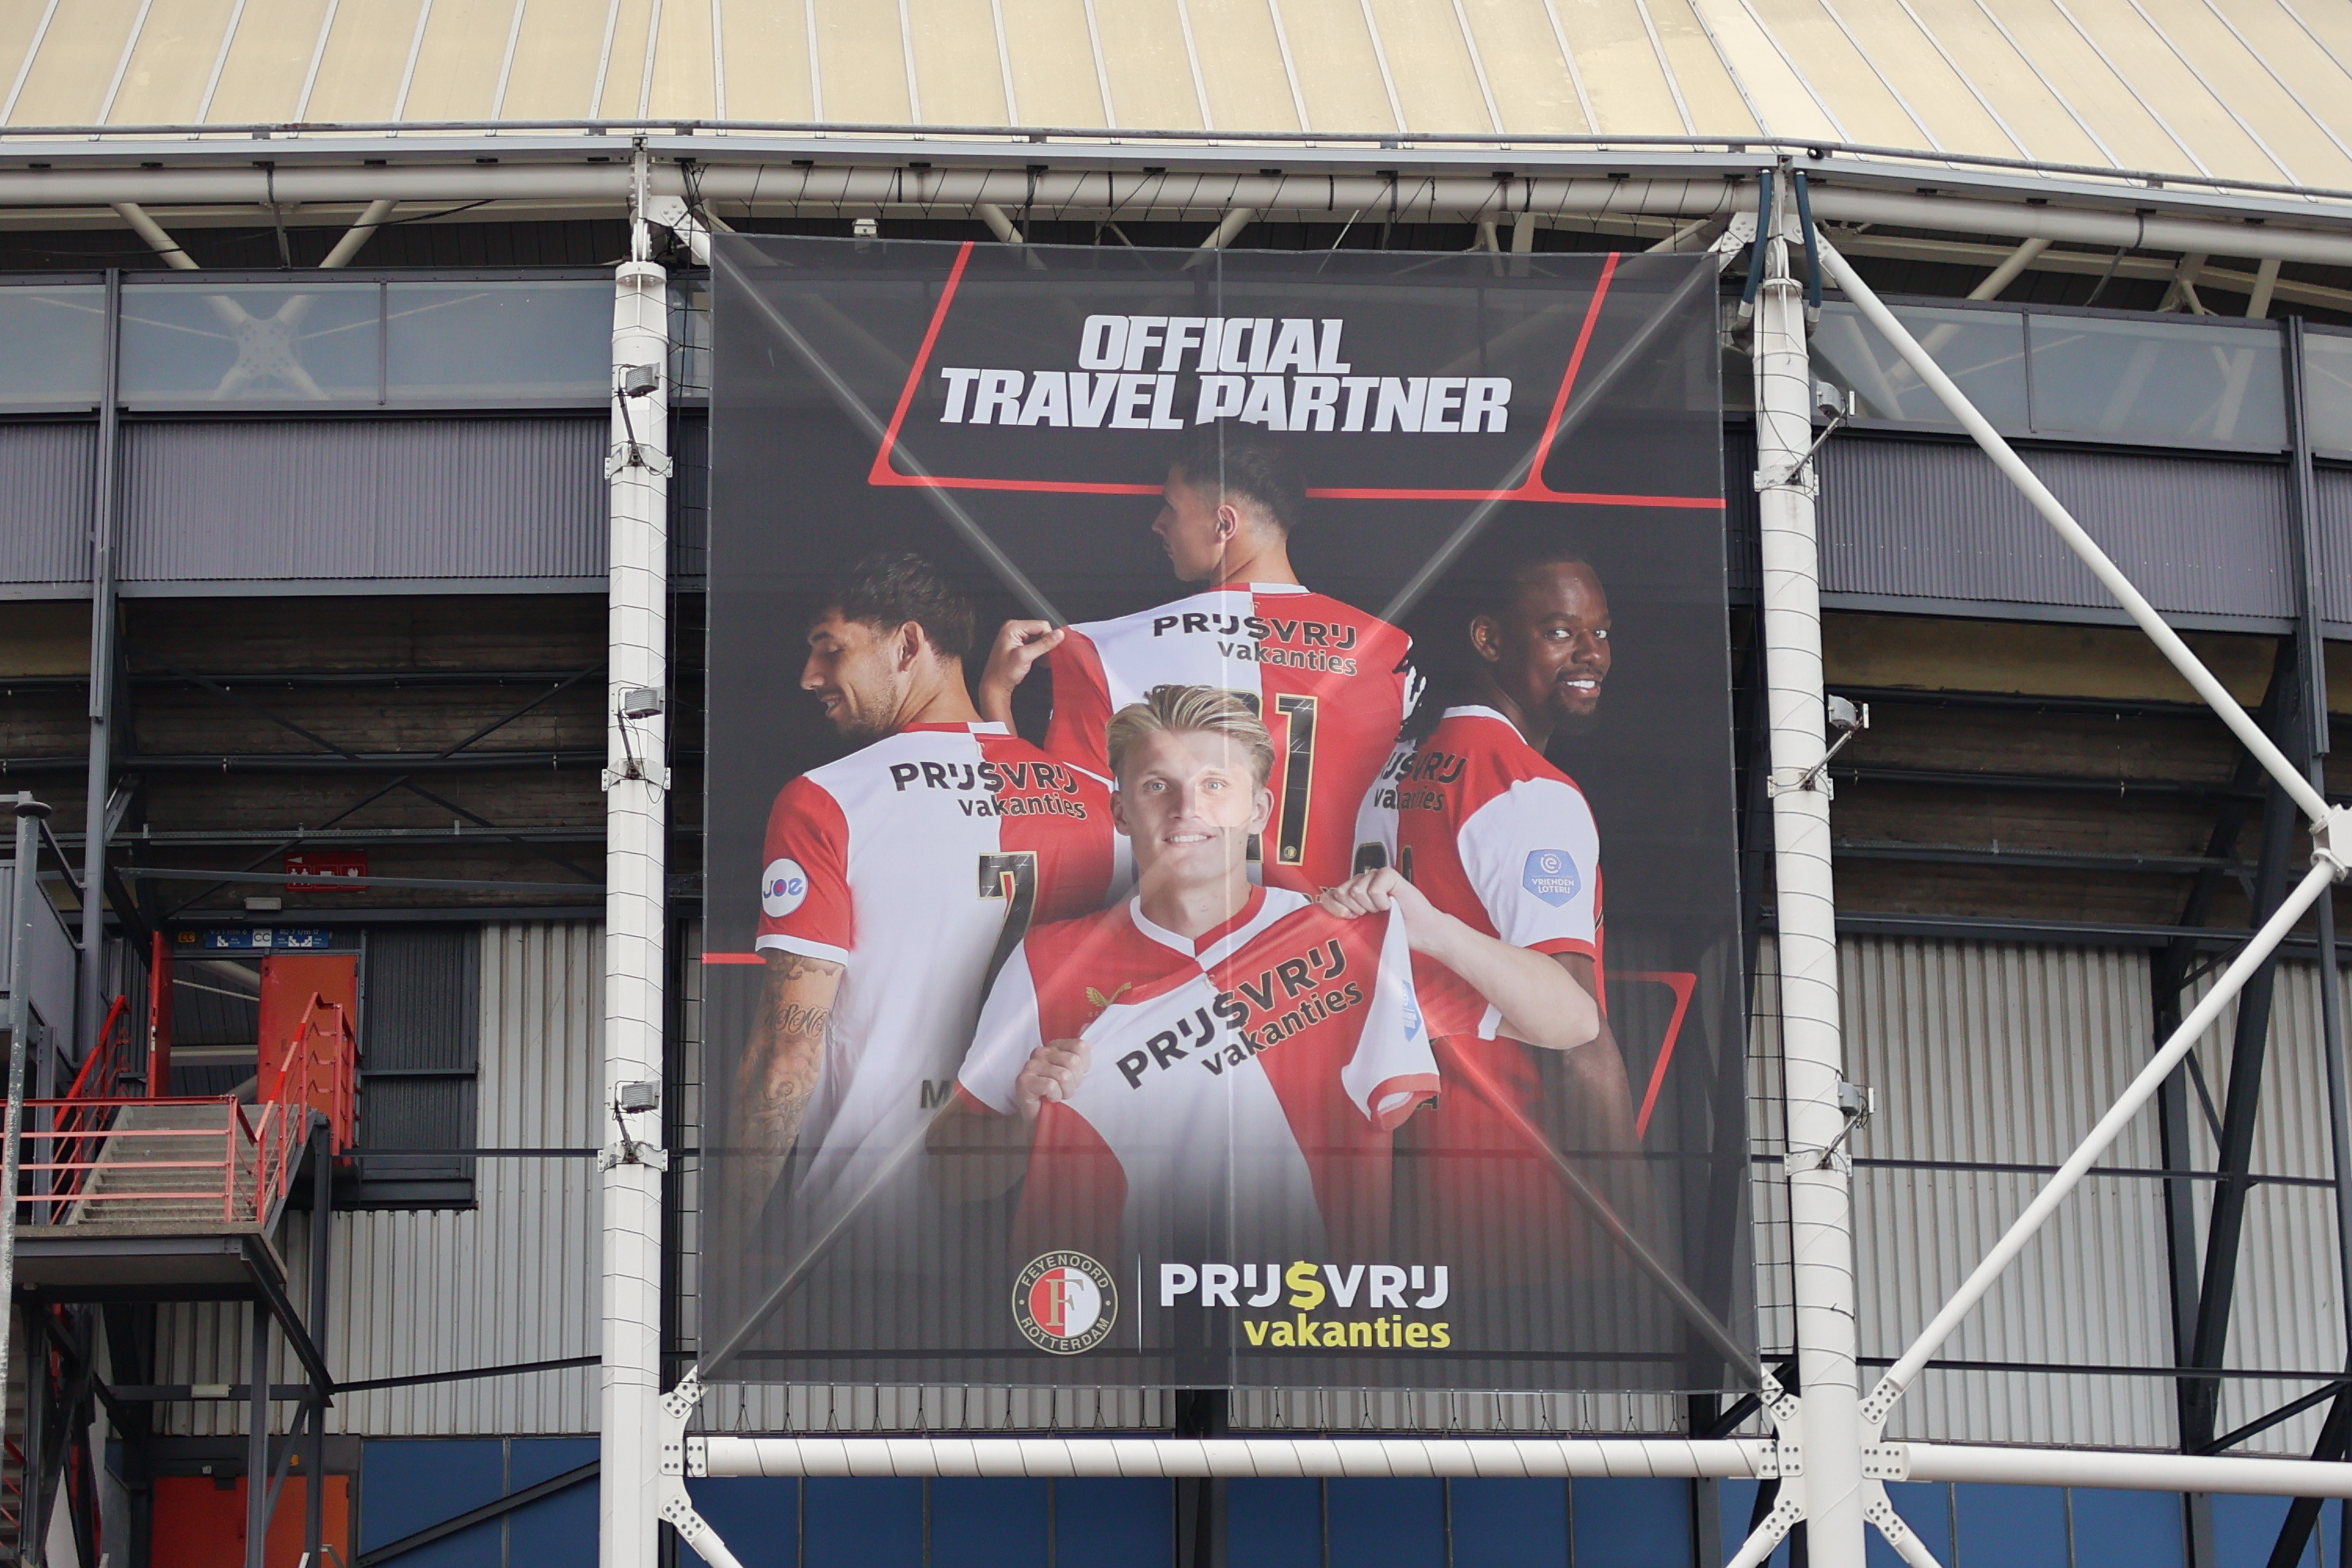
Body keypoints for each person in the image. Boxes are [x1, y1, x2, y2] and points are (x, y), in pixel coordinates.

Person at [946, 686, 1459, 1267]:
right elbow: (949, 1177)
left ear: (1259, 810)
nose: (1187, 809)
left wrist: (1437, 929)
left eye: (1215, 785)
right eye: (1157, 786)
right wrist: (1024, 1121)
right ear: (1120, 811)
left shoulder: (1347, 942)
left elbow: (1564, 1022)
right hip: (1119, 1330)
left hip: (1303, 1326)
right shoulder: (1046, 961)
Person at [726, 552, 1122, 1243]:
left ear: (908, 645)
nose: (810, 677)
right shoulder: (1108, 807)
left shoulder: (830, 800)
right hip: (1063, 1231)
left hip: (867, 1236)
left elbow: (789, 1049)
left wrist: (727, 1244)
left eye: (831, 649)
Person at [1345, 535, 1639, 1277]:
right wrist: (1645, 1241)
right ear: (1489, 639)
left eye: (1600, 633)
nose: (1592, 654)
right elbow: (1580, 1042)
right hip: (1510, 1192)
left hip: (1383, 1168)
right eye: (1560, 631)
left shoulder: (1390, 767)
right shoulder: (1524, 786)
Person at [975, 427, 1416, 897]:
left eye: (1170, 505)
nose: (1158, 523)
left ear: (1224, 525)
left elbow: (1063, 825)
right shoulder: (1390, 650)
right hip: (1334, 955)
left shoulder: (1105, 650)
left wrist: (996, 696)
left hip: (1179, 948)